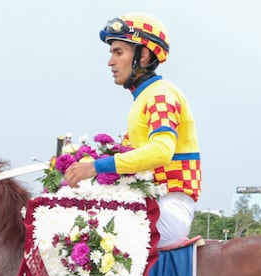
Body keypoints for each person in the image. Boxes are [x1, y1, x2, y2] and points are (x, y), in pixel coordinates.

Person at [64, 14, 201, 248]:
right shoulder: (143, 97)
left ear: (143, 55)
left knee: (90, 241)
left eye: (118, 52)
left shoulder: (160, 94)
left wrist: (96, 167)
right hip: (153, 200)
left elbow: (161, 151)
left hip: (168, 206)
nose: (110, 62)